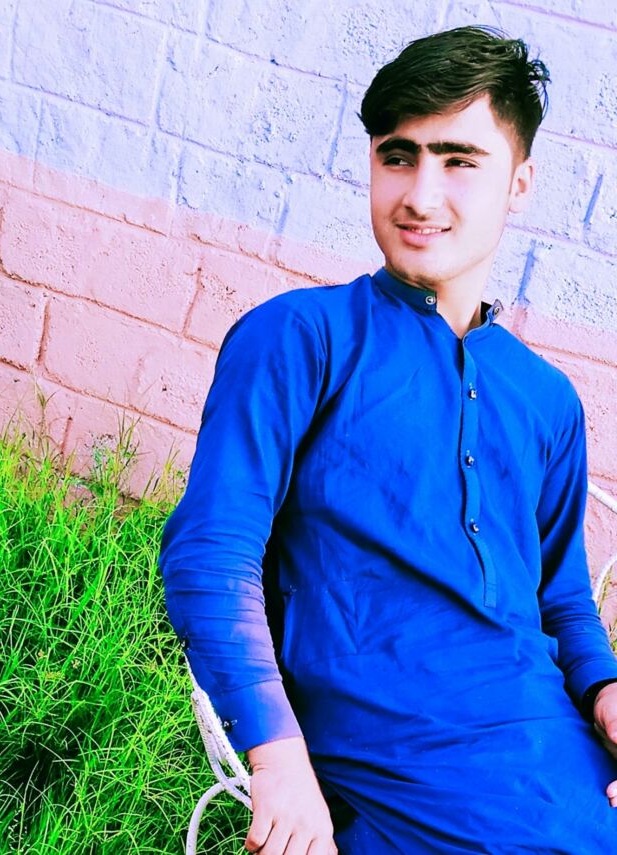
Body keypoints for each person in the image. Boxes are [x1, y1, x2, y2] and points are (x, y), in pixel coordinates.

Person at [159, 25, 617, 854]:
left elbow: (561, 598)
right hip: (403, 779)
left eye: (459, 160)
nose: (419, 195)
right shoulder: (301, 339)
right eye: (398, 156)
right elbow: (210, 552)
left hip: (564, 762)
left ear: (519, 182)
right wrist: (279, 758)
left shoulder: (547, 400)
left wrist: (608, 689)